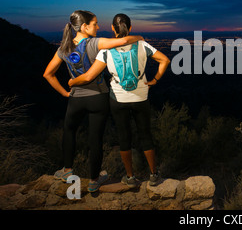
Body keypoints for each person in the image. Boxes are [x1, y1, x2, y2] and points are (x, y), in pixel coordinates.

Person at [43, 10, 144, 192]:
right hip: (98, 98)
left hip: (76, 99)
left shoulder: (63, 48)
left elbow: (47, 74)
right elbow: (123, 40)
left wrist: (65, 93)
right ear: (84, 26)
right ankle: (94, 180)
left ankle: (67, 170)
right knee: (95, 139)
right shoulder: (95, 43)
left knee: (69, 131)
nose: (98, 27)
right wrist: (139, 36)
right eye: (95, 23)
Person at [68, 13, 170, 188]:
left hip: (118, 99)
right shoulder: (142, 45)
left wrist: (72, 82)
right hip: (141, 97)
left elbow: (89, 76)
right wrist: (155, 80)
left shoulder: (106, 50)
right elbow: (165, 60)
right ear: (130, 28)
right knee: (145, 134)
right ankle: (154, 174)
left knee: (124, 137)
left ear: (113, 29)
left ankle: (130, 177)